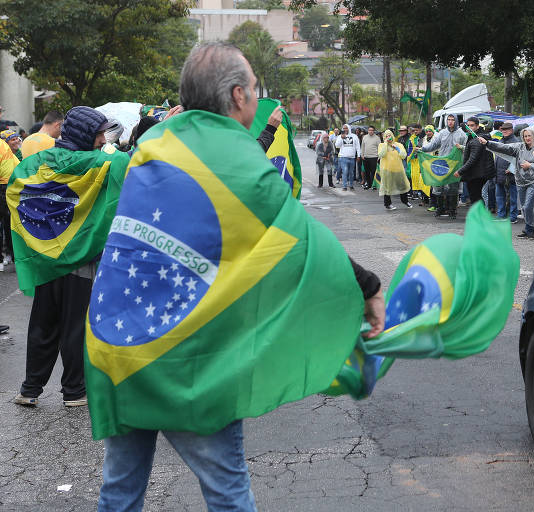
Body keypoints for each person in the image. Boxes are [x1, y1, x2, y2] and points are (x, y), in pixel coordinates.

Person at [95, 42, 385, 512]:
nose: (257, 98)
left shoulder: (154, 145)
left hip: (118, 342)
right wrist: (368, 286)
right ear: (236, 96)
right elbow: (301, 237)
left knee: (120, 493)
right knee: (228, 494)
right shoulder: (236, 161)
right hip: (185, 356)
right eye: (254, 89)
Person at [12, 106, 118, 409]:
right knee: (74, 325)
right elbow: (131, 162)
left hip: (45, 259)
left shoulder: (37, 162)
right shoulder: (99, 163)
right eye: (99, 133)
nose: (102, 139)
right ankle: (73, 391)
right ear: (86, 133)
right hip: (78, 259)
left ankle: (29, 389)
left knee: (42, 324)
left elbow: (16, 187)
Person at [482, 126, 534, 238]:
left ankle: (530, 229)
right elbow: (504, 147)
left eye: (529, 135)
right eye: (525, 136)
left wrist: (531, 165)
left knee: (528, 206)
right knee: (524, 207)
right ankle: (532, 226)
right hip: (521, 182)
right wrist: (488, 143)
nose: (527, 138)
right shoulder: (519, 147)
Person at [421, 114, 466, 218]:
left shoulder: (462, 134)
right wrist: (422, 149)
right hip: (442, 165)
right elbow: (433, 145)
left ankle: (452, 210)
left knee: (453, 188)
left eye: (452, 120)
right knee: (439, 186)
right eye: (448, 120)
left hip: (455, 165)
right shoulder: (442, 133)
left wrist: (462, 147)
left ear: (456, 121)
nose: (450, 122)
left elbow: (467, 148)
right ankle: (440, 209)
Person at [454, 117, 494, 205]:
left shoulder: (478, 139)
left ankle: (480, 217)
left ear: (477, 126)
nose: (469, 128)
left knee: (476, 197)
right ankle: (479, 216)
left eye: (472, 125)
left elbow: (472, 159)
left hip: (477, 173)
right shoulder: (472, 137)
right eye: (468, 126)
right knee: (476, 196)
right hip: (477, 172)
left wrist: (460, 171)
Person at [491, 121, 519, 222]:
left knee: (512, 197)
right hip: (499, 173)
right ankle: (501, 215)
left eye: (507, 130)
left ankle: (513, 216)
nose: (504, 131)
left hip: (510, 175)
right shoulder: (501, 140)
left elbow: (518, 158)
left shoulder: (516, 141)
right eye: (503, 130)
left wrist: (511, 169)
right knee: (499, 196)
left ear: (511, 130)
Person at [378, 129, 412, 210]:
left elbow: (403, 156)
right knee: (387, 187)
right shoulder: (381, 145)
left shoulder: (399, 145)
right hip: (387, 170)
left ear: (392, 136)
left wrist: (397, 148)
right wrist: (386, 144)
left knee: (402, 186)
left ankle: (405, 201)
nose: (388, 137)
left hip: (398, 169)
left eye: (389, 135)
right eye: (386, 136)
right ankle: (388, 204)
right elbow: (381, 155)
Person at [0, 138, 19, 271]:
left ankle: (11, 256)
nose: (17, 140)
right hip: (7, 185)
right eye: (12, 139)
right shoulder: (3, 146)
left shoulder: (3, 147)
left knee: (9, 223)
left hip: (6, 185)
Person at [335, 123, 360, 191]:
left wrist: (358, 155)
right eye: (344, 128)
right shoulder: (340, 136)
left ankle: (351, 185)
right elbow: (337, 145)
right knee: (345, 171)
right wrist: (342, 138)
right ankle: (344, 186)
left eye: (346, 128)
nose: (345, 129)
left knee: (351, 173)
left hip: (352, 157)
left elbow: (358, 146)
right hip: (343, 157)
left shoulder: (354, 136)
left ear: (349, 128)